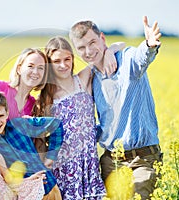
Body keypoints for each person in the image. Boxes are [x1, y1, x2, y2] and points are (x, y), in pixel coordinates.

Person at [69, 16, 163, 199]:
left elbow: (141, 57)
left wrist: (150, 45)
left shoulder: (127, 60)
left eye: (92, 42)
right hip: (110, 161)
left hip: (142, 159)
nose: (88, 51)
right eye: (81, 47)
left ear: (102, 38)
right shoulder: (91, 77)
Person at [33, 36, 124, 199]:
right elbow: (39, 136)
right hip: (63, 167)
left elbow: (120, 45)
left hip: (88, 163)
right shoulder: (47, 96)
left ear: (73, 59)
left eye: (67, 59)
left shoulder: (83, 79)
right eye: (56, 61)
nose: (63, 65)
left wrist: (109, 51)